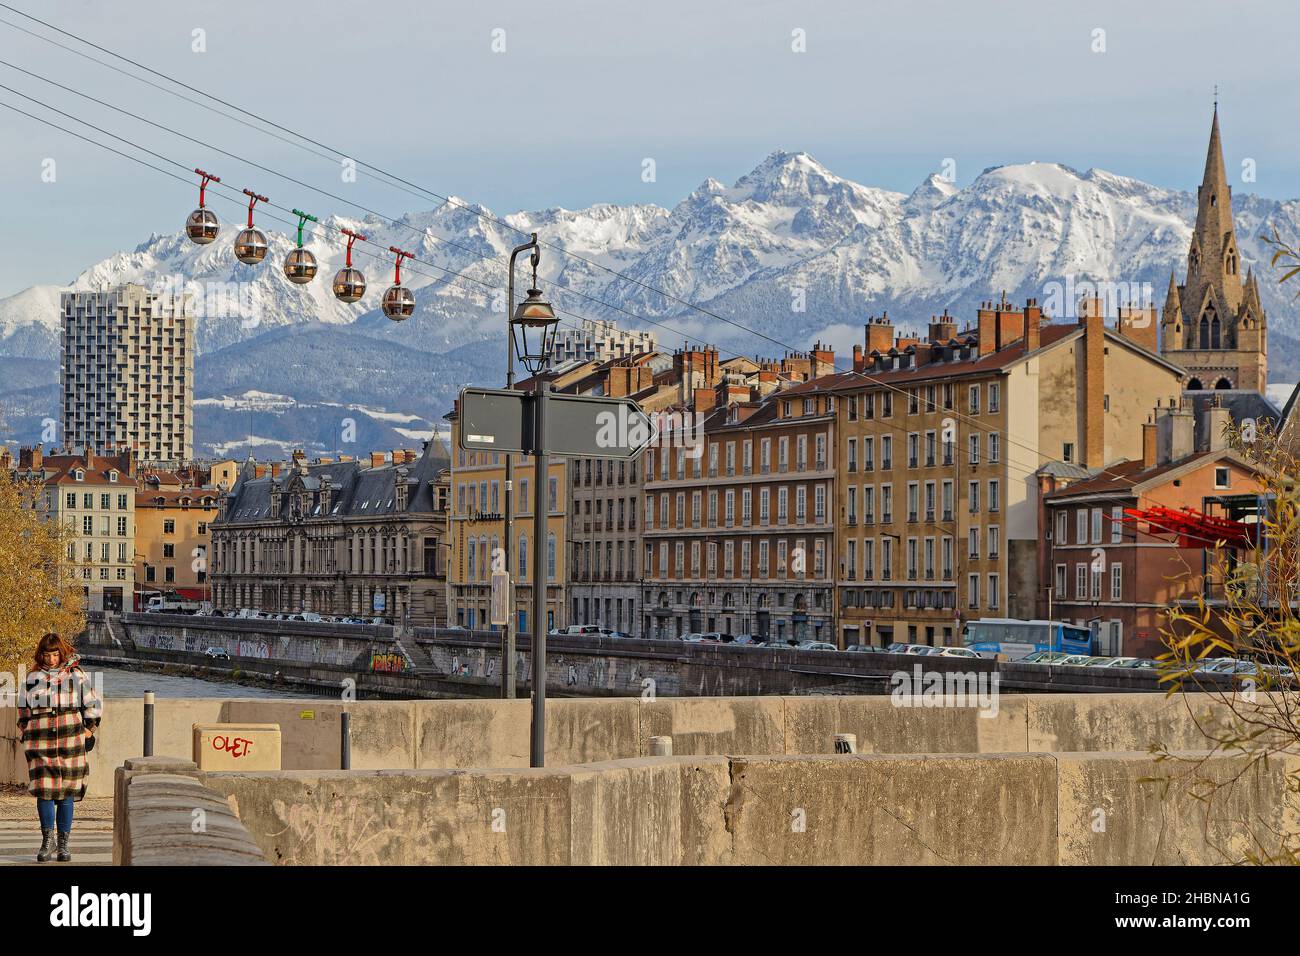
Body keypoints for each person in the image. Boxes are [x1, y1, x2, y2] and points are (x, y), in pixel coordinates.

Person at [16, 633, 103, 863]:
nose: (52, 659)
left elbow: (93, 704)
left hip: (70, 743)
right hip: (40, 744)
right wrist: (25, 731)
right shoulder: (32, 678)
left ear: (61, 653)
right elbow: (23, 710)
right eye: (47, 654)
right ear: (41, 654)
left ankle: (64, 843)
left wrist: (89, 730)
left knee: (66, 793)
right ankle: (47, 841)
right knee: (44, 792)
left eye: (55, 654)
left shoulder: (76, 675)